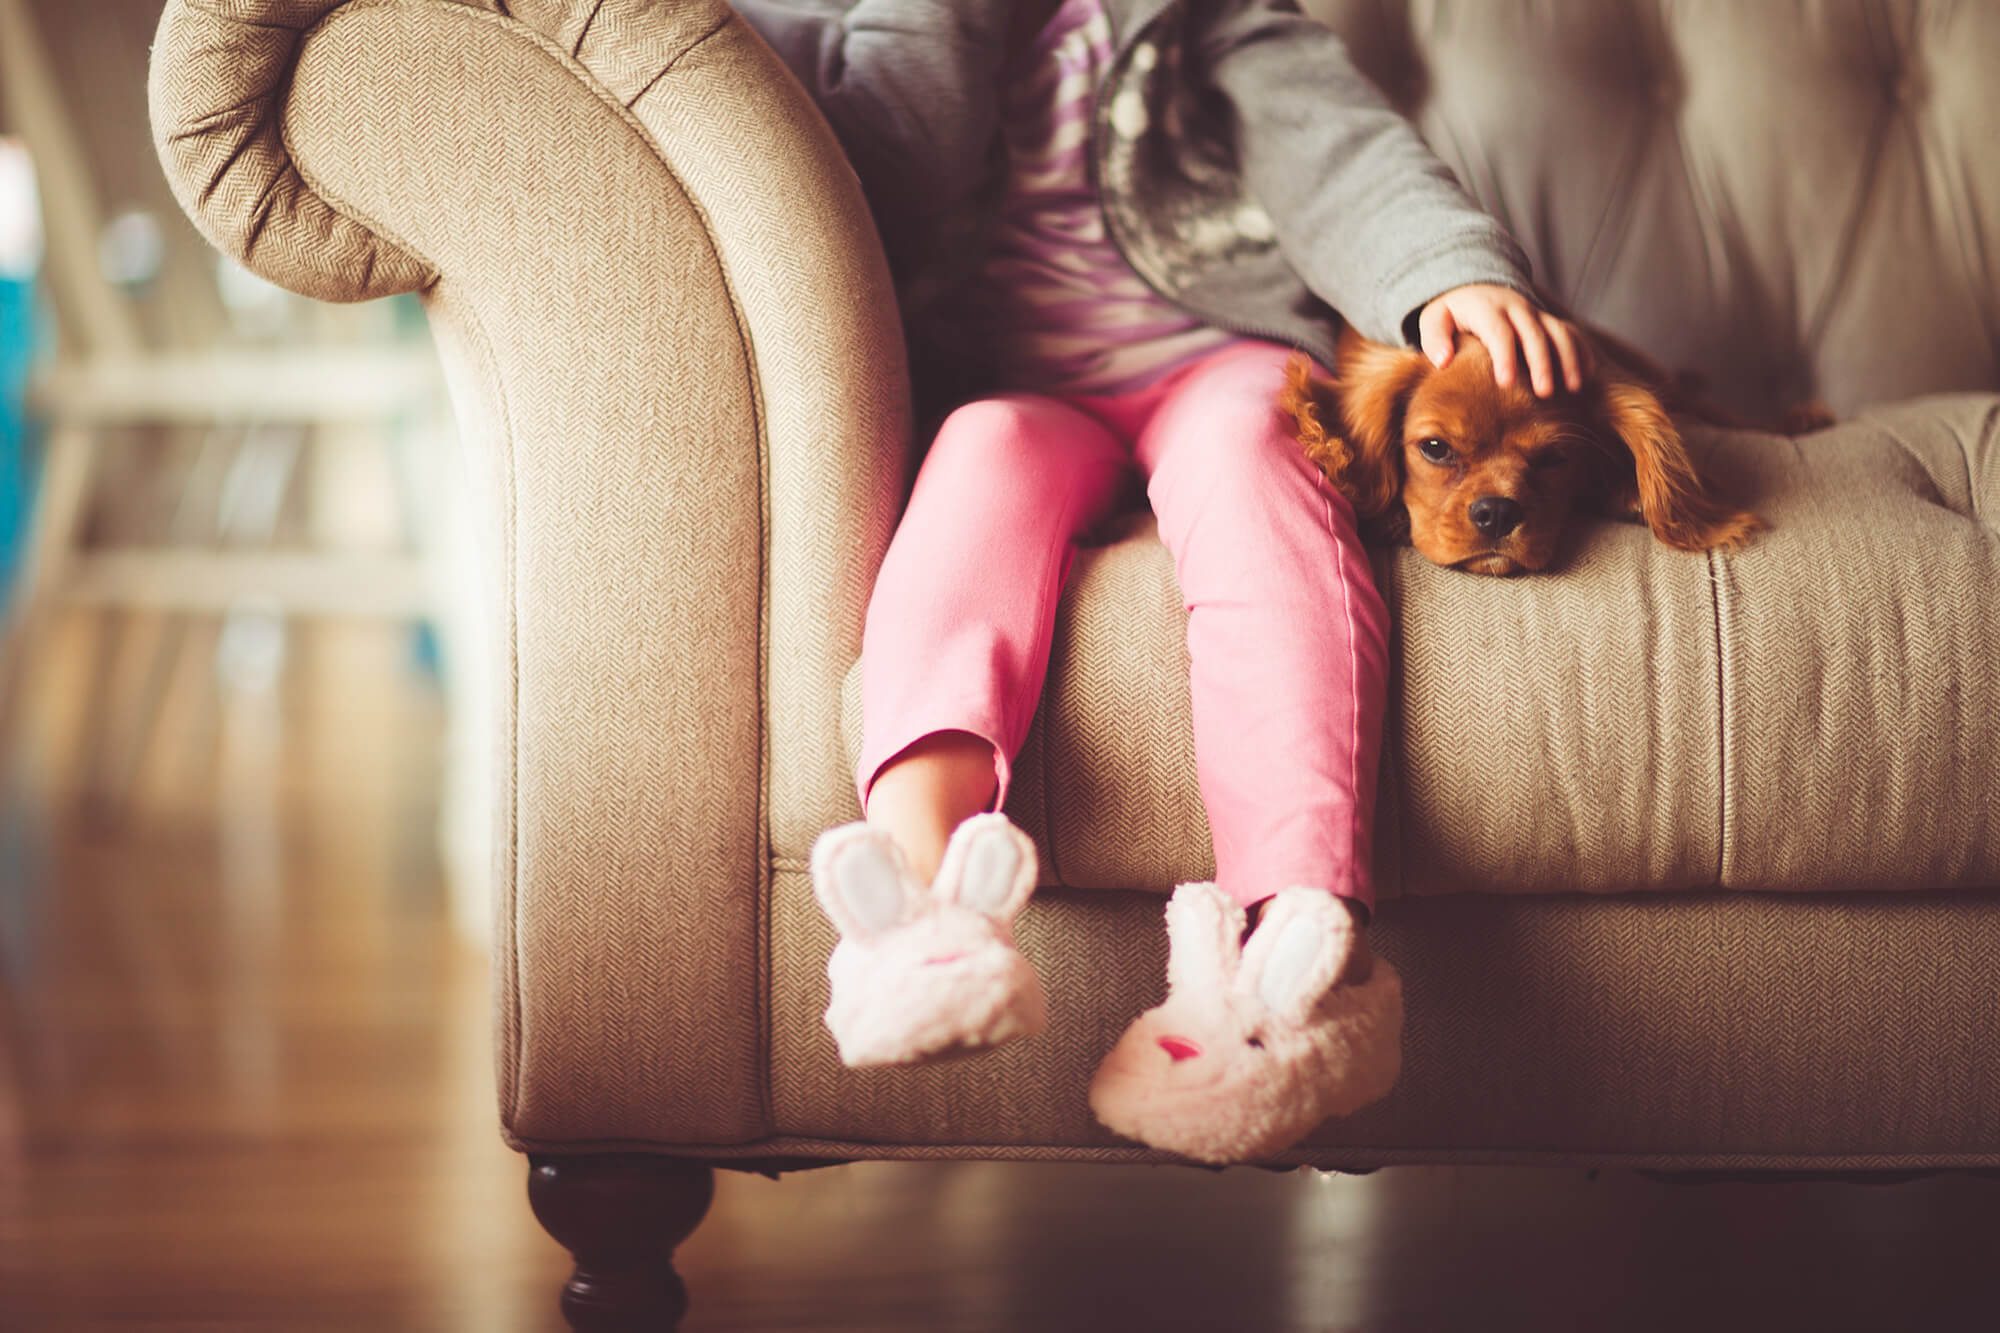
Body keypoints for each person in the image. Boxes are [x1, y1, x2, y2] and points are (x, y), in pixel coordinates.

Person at [735, 0, 1590, 1162]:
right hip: (1008, 384)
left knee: (1256, 464)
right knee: (976, 468)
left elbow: (1336, 149)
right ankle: (923, 901)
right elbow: (870, 180)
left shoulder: (1206, 17)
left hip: (1212, 356)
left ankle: (1293, 946)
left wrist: (1440, 274)